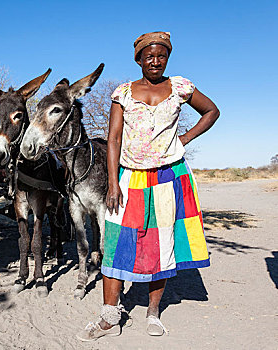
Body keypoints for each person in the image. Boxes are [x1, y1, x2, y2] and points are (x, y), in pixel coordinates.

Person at [77, 32, 220, 341]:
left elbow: (212, 111)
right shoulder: (124, 93)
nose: (155, 61)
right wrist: (113, 182)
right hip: (131, 177)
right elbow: (113, 139)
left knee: (162, 244)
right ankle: (108, 318)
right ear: (139, 59)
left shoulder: (180, 87)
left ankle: (152, 312)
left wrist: (183, 139)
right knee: (114, 245)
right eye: (149, 56)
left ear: (167, 57)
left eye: (161, 55)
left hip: (170, 176)